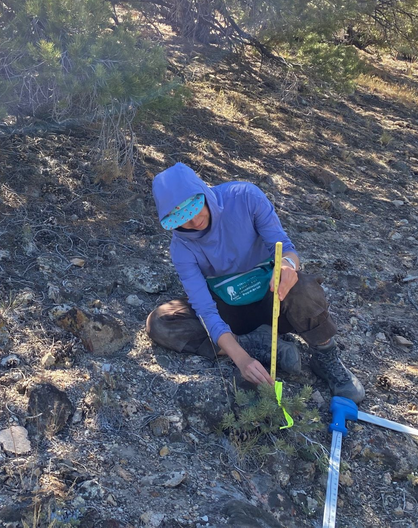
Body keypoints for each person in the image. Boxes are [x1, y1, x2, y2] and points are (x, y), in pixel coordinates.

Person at [145, 162, 365, 404]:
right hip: (228, 309)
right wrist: (241, 358)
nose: (195, 221)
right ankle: (254, 344)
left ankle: (325, 357)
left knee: (303, 288)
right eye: (183, 218)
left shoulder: (245, 197)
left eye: (197, 208)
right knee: (160, 322)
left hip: (272, 299)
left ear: (203, 192)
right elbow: (205, 309)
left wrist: (288, 267)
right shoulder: (181, 248)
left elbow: (286, 249)